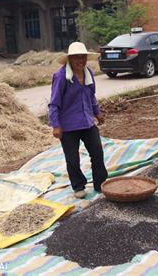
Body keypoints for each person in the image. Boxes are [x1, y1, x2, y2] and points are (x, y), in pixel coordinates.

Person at [49, 42, 108, 199]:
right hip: (68, 125)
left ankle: (100, 183)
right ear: (70, 59)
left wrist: (98, 113)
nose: (81, 61)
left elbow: (91, 97)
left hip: (87, 122)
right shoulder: (61, 77)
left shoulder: (88, 73)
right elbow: (54, 103)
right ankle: (78, 186)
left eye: (83, 57)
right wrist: (56, 125)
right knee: (72, 158)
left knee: (97, 152)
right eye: (77, 58)